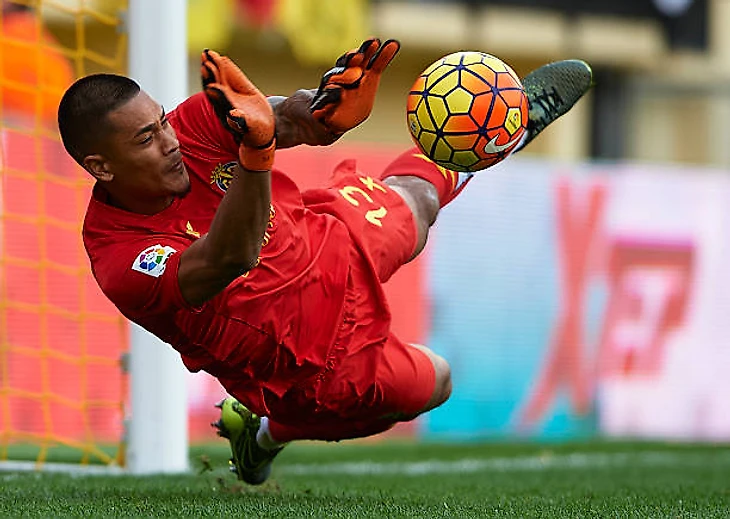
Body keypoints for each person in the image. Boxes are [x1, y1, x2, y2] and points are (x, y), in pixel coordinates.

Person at [57, 38, 592, 485]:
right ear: (100, 166)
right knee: (434, 382)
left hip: (326, 241)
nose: (170, 140)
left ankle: (502, 127)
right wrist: (256, 153)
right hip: (306, 363)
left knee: (418, 202)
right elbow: (228, 257)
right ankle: (264, 433)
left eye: (161, 122)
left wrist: (325, 108)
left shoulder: (192, 125)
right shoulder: (119, 259)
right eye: (147, 137)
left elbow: (288, 118)